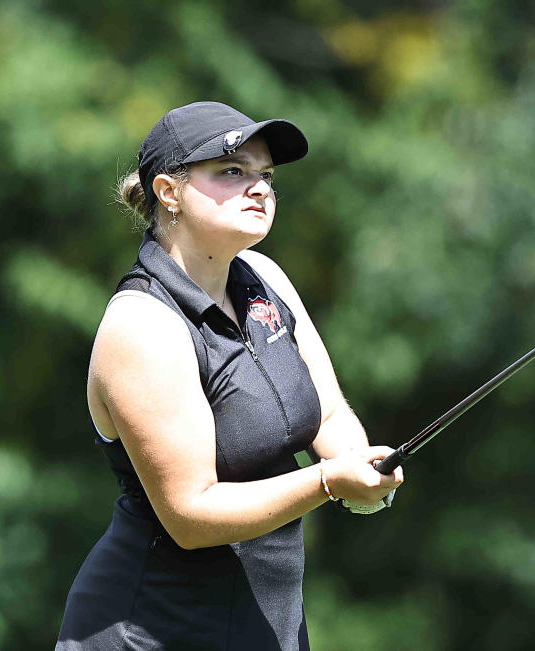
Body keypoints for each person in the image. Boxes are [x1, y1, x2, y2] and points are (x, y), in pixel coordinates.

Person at [55, 101, 404, 650]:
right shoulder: (143, 324)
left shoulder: (264, 278)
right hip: (150, 632)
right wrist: (328, 482)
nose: (260, 188)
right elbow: (190, 515)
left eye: (265, 175)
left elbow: (328, 412)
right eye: (232, 172)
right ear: (168, 192)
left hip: (266, 628)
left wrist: (363, 470)